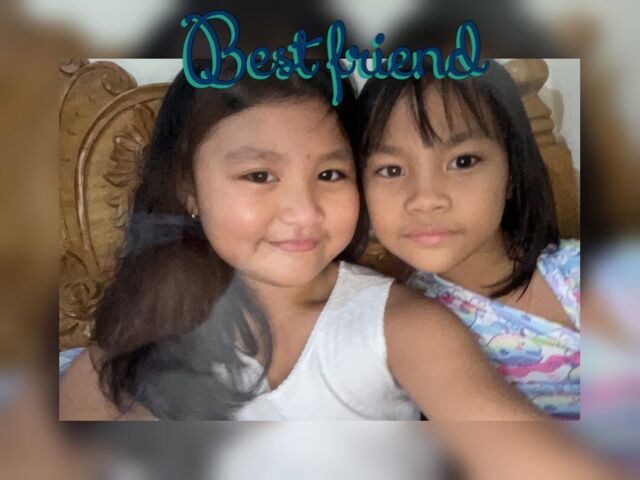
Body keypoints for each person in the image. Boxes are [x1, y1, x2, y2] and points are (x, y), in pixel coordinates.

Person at [59, 59, 544, 421]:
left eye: (330, 174)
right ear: (188, 186)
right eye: (259, 175)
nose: (304, 211)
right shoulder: (139, 333)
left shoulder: (403, 329)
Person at [358, 59, 580, 419]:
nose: (425, 199)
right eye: (391, 169)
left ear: (512, 173)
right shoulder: (395, 324)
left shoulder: (577, 273)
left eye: (462, 161)